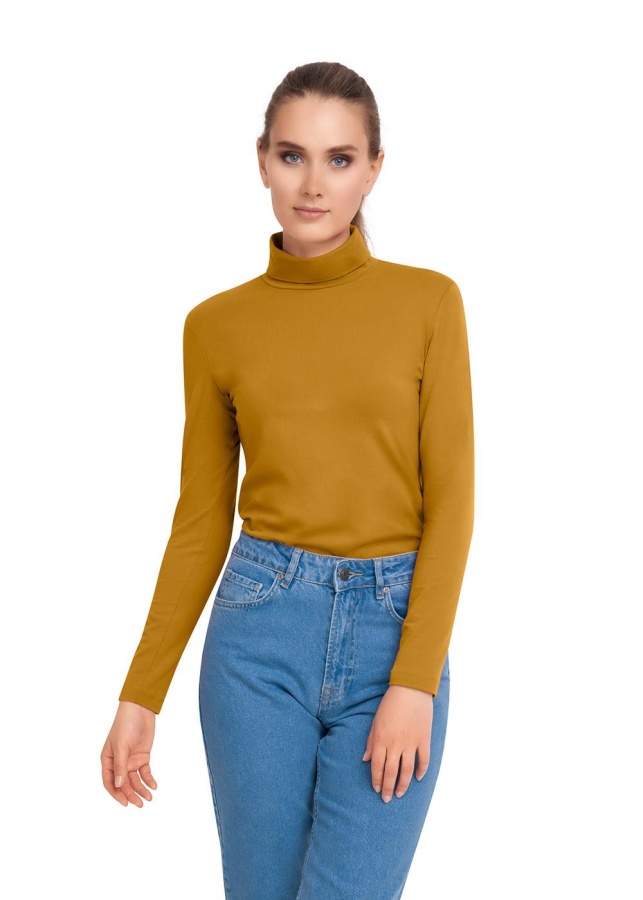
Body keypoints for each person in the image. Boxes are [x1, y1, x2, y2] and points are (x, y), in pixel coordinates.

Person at [101, 61, 475, 899]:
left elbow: (452, 505)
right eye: (292, 155)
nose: (313, 183)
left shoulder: (428, 304)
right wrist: (141, 693)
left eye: (339, 159)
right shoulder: (215, 326)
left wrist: (413, 680)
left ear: (373, 169)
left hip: (391, 632)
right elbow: (200, 521)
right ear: (262, 161)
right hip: (256, 638)